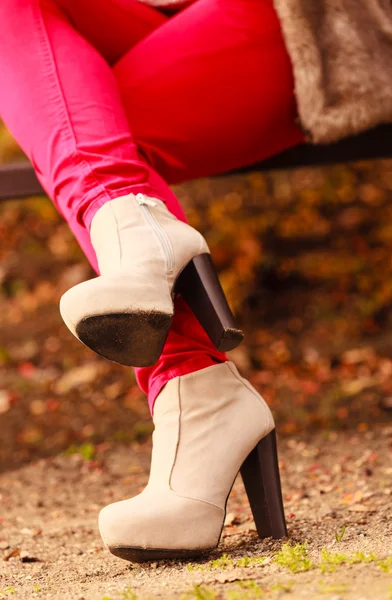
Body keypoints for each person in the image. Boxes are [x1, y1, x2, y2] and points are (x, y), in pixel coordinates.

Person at [0, 0, 304, 562]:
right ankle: (195, 385)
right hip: (152, 16)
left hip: (304, 22)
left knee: (77, 128)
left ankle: (196, 388)